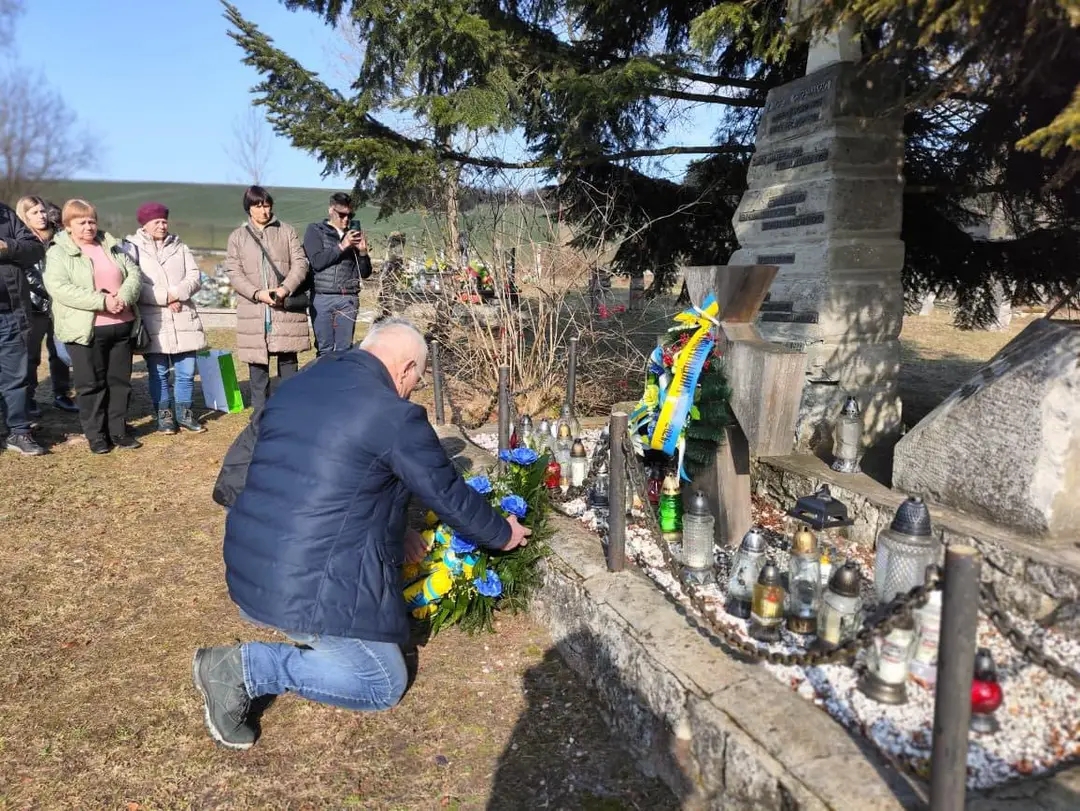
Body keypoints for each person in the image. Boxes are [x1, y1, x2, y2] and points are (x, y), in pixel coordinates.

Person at [192, 317, 530, 749]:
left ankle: (294, 632)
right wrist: (501, 533)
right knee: (381, 681)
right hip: (297, 588)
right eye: (416, 383)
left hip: (250, 570)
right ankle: (244, 669)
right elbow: (447, 492)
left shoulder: (303, 383)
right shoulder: (392, 415)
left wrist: (399, 531)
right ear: (406, 368)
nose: (410, 392)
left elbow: (330, 477)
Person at [44, 199, 142, 454]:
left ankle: (118, 430)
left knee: (119, 383)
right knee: (90, 385)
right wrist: (102, 301)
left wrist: (124, 297)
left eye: (92, 221)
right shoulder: (58, 252)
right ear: (68, 225)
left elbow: (134, 274)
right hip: (86, 330)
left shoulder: (110, 245)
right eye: (81, 222)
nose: (88, 227)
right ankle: (96, 435)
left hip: (122, 325)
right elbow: (60, 288)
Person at [224, 185, 310, 415]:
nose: (264, 210)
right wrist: (257, 293)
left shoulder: (287, 231)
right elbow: (234, 273)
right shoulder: (238, 237)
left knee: (288, 363)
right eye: (258, 206)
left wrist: (284, 289)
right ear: (249, 208)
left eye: (267, 205)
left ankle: (289, 413)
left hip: (284, 308)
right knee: (258, 368)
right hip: (254, 311)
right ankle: (260, 417)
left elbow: (300, 264)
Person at [124, 202, 208, 434]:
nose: (162, 225)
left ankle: (185, 413)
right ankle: (164, 415)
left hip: (183, 316)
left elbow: (194, 276)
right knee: (158, 372)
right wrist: (165, 297)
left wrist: (177, 293)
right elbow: (134, 283)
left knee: (186, 371)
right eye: (157, 222)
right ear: (145, 224)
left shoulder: (180, 246)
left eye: (164, 221)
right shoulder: (132, 249)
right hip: (154, 320)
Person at [15, 196, 77, 417]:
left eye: (42, 211)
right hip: (33, 305)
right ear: (24, 216)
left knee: (60, 353)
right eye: (34, 213)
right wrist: (51, 290)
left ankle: (62, 394)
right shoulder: (21, 241)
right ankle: (28, 398)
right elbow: (27, 275)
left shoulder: (59, 237)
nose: (41, 216)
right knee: (31, 355)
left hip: (60, 305)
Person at [0, 200, 46, 455]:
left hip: (11, 311)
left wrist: (7, 247)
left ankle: (18, 431)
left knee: (16, 376)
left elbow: (34, 248)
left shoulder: (6, 214)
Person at [303, 192, 371, 355]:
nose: (346, 219)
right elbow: (317, 262)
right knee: (325, 349)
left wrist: (362, 252)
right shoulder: (315, 230)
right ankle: (323, 373)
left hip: (348, 298)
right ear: (331, 210)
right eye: (341, 215)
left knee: (344, 350)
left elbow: (365, 273)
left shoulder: (353, 234)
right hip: (322, 297)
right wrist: (342, 246)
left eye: (350, 215)